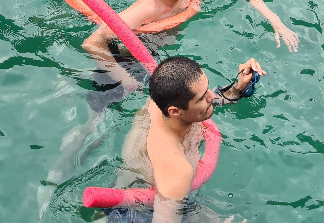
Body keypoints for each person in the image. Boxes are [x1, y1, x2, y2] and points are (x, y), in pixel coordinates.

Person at [38, 0, 297, 219]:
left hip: (157, 67)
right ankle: (53, 177)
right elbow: (93, 43)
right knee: (93, 125)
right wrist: (127, 81)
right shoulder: (148, 6)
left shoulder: (160, 104)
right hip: (127, 61)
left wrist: (240, 84)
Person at [105, 56, 265, 223]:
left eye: (207, 89)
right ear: (175, 111)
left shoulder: (159, 101)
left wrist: (238, 88)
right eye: (203, 97)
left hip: (124, 187)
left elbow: (205, 102)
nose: (212, 96)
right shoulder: (177, 168)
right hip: (140, 213)